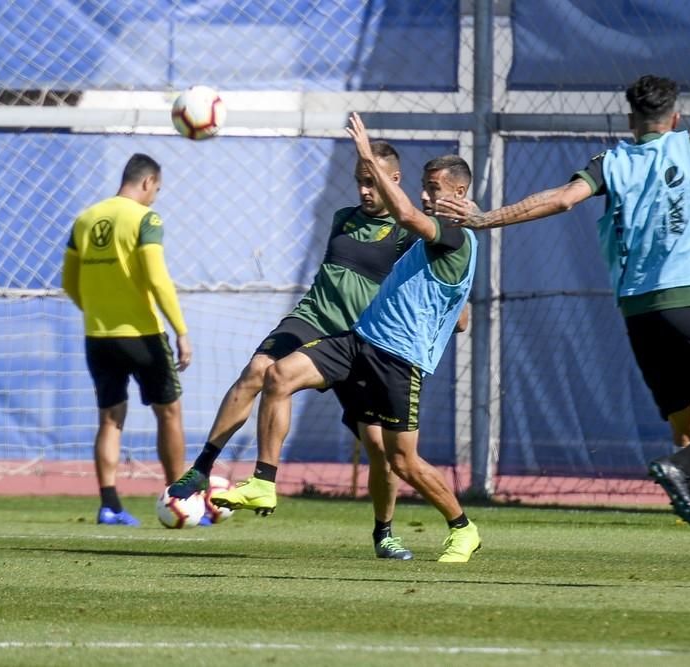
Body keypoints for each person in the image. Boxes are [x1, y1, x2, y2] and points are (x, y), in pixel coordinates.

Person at [436, 74, 690, 577]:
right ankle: (685, 468)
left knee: (685, 429)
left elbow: (561, 199)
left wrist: (483, 219)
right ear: (675, 117)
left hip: (638, 312)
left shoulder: (611, 162)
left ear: (631, 120)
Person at [168, 141, 469, 559]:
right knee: (261, 371)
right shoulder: (343, 219)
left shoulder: (412, 234)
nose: (364, 191)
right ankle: (207, 469)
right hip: (314, 323)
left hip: (366, 341)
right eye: (360, 182)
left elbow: (450, 294)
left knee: (383, 451)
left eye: (372, 181)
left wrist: (450, 311)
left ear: (392, 181)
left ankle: (385, 532)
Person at [60, 153, 191, 526]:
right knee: (169, 413)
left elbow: (68, 281)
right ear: (148, 182)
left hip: (98, 335)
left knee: (110, 420)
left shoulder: (84, 219)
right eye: (157, 190)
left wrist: (97, 308)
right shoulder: (146, 218)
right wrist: (181, 330)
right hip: (143, 335)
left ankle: (109, 505)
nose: (156, 197)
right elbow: (156, 276)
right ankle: (177, 500)